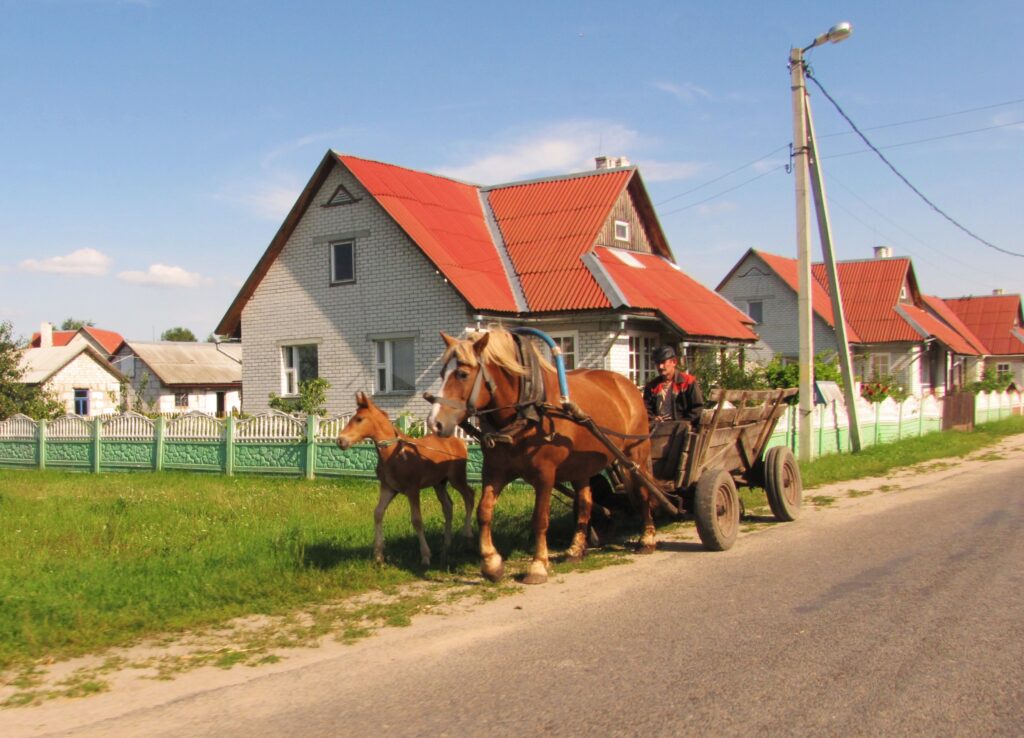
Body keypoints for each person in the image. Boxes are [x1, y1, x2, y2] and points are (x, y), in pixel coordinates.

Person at [643, 344, 704, 426]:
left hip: (682, 429)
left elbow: (697, 408)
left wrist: (683, 423)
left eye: (663, 362)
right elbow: (645, 409)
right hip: (658, 428)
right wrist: (653, 418)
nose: (660, 367)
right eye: (658, 363)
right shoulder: (652, 386)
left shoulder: (688, 382)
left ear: (674, 362)